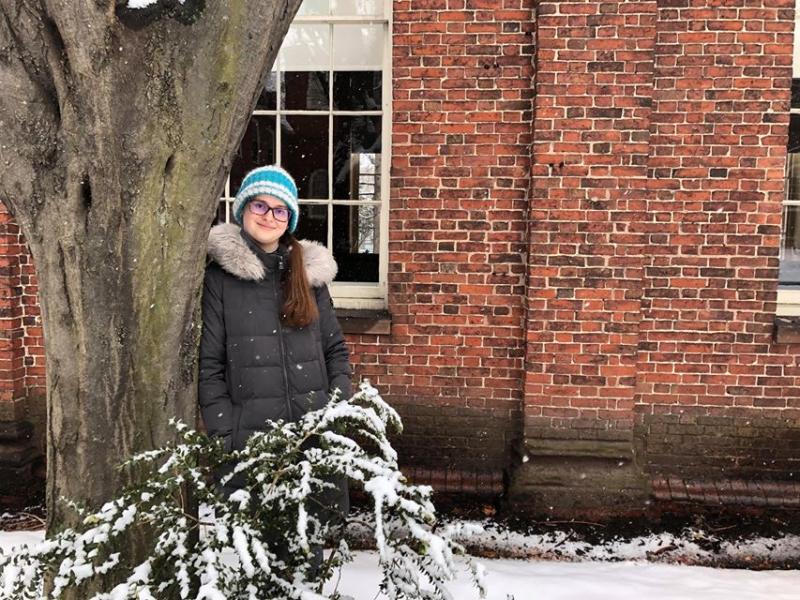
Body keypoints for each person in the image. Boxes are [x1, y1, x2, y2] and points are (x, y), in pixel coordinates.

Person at [198, 165, 351, 563]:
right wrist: (225, 434)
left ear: (290, 220)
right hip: (251, 441)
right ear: (243, 209)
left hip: (309, 437)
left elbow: (335, 351)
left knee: (308, 552)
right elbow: (209, 366)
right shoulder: (219, 280)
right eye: (260, 205)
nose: (269, 216)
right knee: (258, 560)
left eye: (280, 210)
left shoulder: (308, 276)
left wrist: (331, 412)